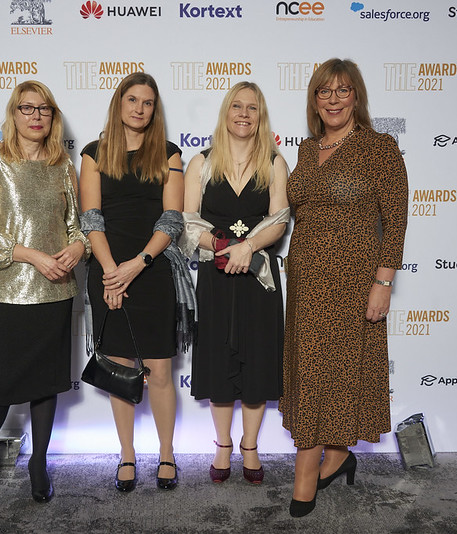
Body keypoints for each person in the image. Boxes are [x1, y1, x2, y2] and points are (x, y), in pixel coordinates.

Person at [279, 58, 409, 517]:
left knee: (336, 371)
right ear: (314, 100)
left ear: (357, 97)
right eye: (324, 91)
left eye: (342, 90)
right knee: (312, 370)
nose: (332, 99)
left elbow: (396, 222)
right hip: (305, 281)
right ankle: (335, 456)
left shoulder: (379, 147)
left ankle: (307, 471)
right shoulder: (306, 150)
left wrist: (383, 282)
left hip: (353, 282)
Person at [0, 80, 89, 509]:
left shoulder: (63, 165)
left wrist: (78, 248)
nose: (36, 116)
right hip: (10, 292)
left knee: (46, 384)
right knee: (2, 385)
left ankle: (39, 462)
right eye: (27, 108)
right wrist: (32, 255)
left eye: (44, 109)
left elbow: (76, 227)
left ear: (53, 117)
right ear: (13, 114)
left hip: (56, 292)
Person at [80, 72, 190, 492]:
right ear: (119, 103)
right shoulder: (93, 154)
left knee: (160, 369)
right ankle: (126, 454)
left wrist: (137, 264)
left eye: (147, 102)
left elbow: (171, 219)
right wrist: (112, 273)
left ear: (154, 108)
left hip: (152, 267)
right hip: (108, 269)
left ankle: (167, 453)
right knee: (120, 366)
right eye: (132, 100)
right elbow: (91, 219)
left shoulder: (168, 153)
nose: (140, 109)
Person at [180, 82, 289, 485]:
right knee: (219, 363)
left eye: (252, 108)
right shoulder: (201, 163)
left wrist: (248, 248)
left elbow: (279, 221)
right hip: (216, 275)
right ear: (226, 112)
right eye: (237, 106)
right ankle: (223, 446)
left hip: (259, 278)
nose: (244, 114)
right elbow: (188, 222)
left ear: (261, 117)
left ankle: (251, 446)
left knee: (257, 364)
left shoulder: (274, 163)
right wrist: (223, 246)